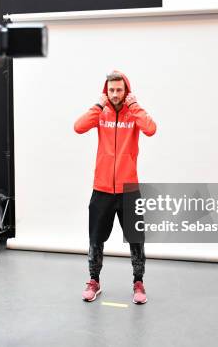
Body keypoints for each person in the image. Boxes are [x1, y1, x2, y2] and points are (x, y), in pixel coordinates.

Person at [74, 70, 157, 304]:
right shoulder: (101, 112)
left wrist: (136, 106)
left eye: (119, 90)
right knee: (95, 238)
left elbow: (151, 129)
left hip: (129, 188)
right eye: (111, 90)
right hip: (102, 188)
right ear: (106, 91)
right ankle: (94, 281)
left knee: (135, 238)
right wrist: (97, 105)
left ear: (126, 90)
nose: (115, 94)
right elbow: (78, 127)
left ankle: (138, 283)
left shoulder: (133, 113)